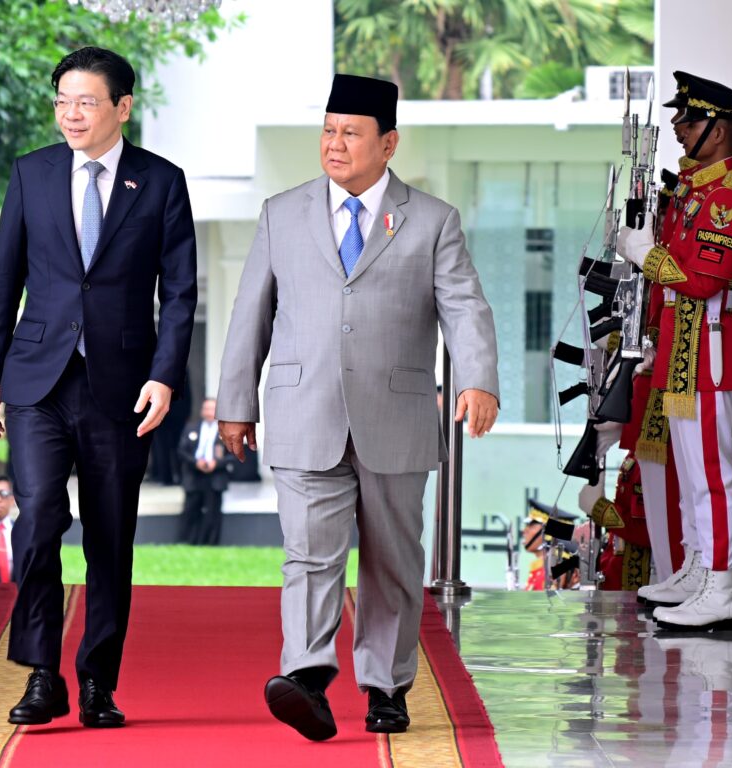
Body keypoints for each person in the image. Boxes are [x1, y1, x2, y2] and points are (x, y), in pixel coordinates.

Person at [216, 74, 499, 741]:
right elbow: (250, 312)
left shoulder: (432, 220)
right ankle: (306, 677)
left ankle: (386, 686)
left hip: (395, 418)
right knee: (308, 555)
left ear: (388, 144)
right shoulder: (281, 213)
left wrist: (478, 379)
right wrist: (235, 403)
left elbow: (465, 306)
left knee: (391, 561)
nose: (334, 144)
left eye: (350, 133)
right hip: (303, 412)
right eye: (327, 130)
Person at [0, 46, 197, 727]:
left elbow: (180, 293)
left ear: (122, 107)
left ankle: (99, 680)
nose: (71, 114)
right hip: (36, 381)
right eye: (62, 102)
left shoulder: (160, 182)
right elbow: (4, 278)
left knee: (110, 535)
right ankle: (42, 675)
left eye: (86, 102)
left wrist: (164, 375)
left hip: (122, 386)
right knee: (39, 517)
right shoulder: (31, 172)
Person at [617, 72, 732, 632]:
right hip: (681, 348)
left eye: (690, 120)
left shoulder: (725, 199)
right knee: (692, 472)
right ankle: (699, 567)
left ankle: (720, 585)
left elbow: (702, 280)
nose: (678, 126)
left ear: (718, 132)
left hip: (707, 351)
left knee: (711, 475)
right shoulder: (696, 190)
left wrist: (645, 254)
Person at [177, 397, 231, 545]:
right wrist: (196, 462)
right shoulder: (191, 428)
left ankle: (211, 543)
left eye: (212, 409)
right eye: (206, 409)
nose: (209, 412)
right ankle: (187, 541)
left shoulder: (226, 430)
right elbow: (181, 451)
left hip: (216, 476)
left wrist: (217, 463)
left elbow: (234, 455)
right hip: (194, 474)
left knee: (213, 512)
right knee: (191, 509)